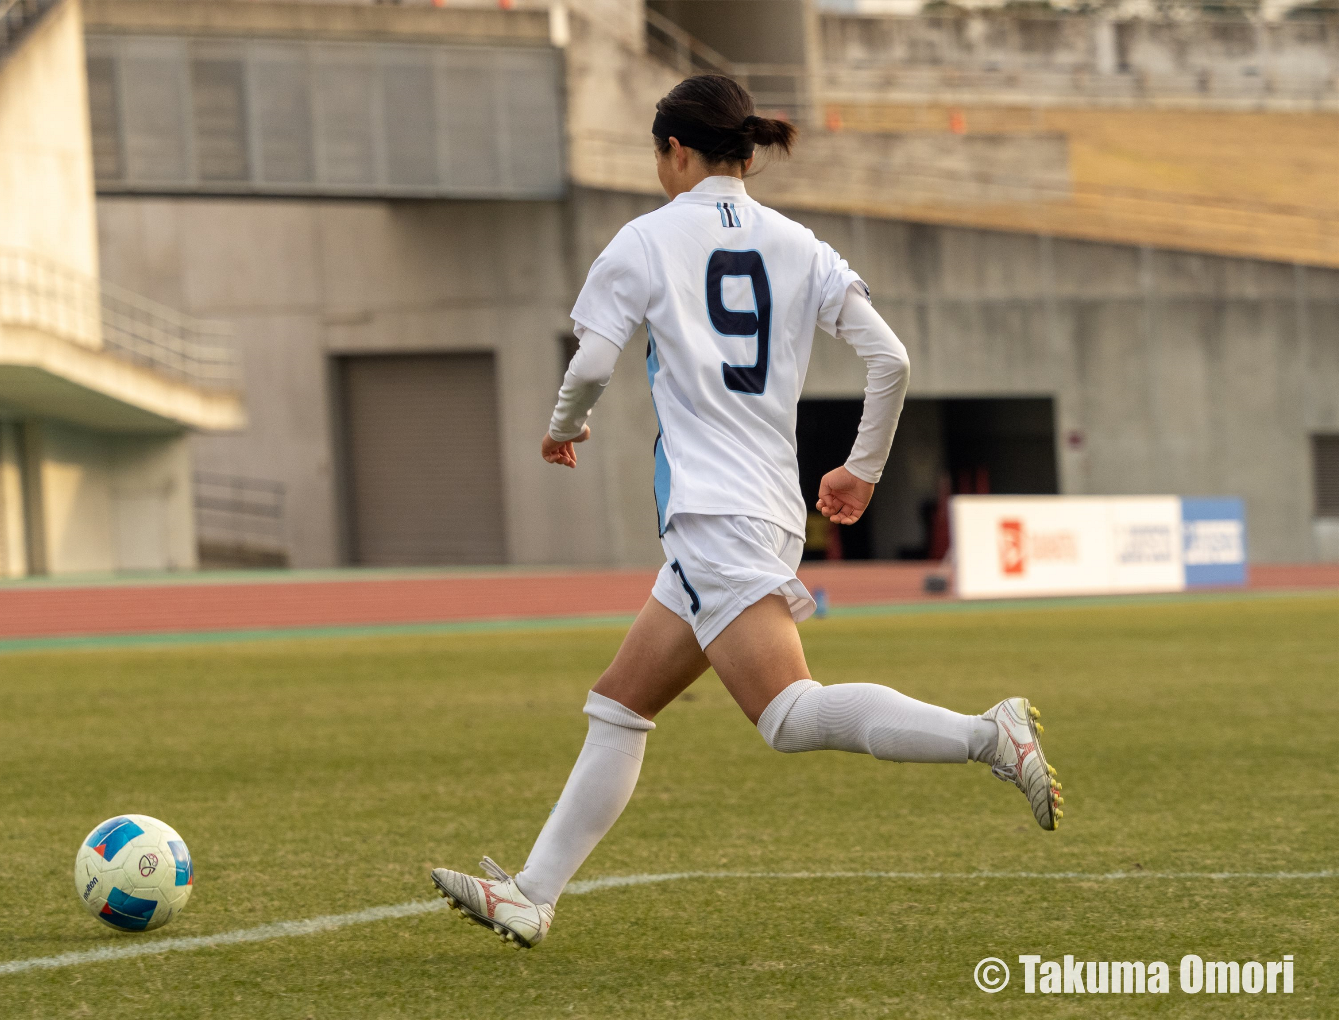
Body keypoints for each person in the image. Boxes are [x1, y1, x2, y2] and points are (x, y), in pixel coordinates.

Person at [431, 75, 1063, 949]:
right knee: (619, 704)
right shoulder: (800, 243)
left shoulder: (645, 240)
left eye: (659, 157)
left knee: (789, 715)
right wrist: (861, 470)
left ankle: (988, 736)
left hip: (712, 517)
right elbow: (892, 361)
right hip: (758, 507)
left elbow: (590, 363)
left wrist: (561, 430)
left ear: (675, 152)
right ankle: (533, 894)